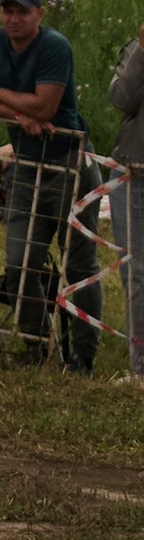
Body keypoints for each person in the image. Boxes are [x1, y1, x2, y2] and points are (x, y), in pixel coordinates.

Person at [0, 0, 97, 372]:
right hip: (25, 163)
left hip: (70, 162)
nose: (14, 18)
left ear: (39, 13)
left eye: (22, 11)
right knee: (19, 262)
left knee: (79, 266)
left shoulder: (55, 46)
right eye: (8, 10)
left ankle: (83, 357)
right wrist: (16, 113)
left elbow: (44, 107)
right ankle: (36, 344)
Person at [108, 20, 144, 380]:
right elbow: (122, 99)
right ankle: (141, 370)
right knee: (136, 275)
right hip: (133, 175)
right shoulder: (135, 49)